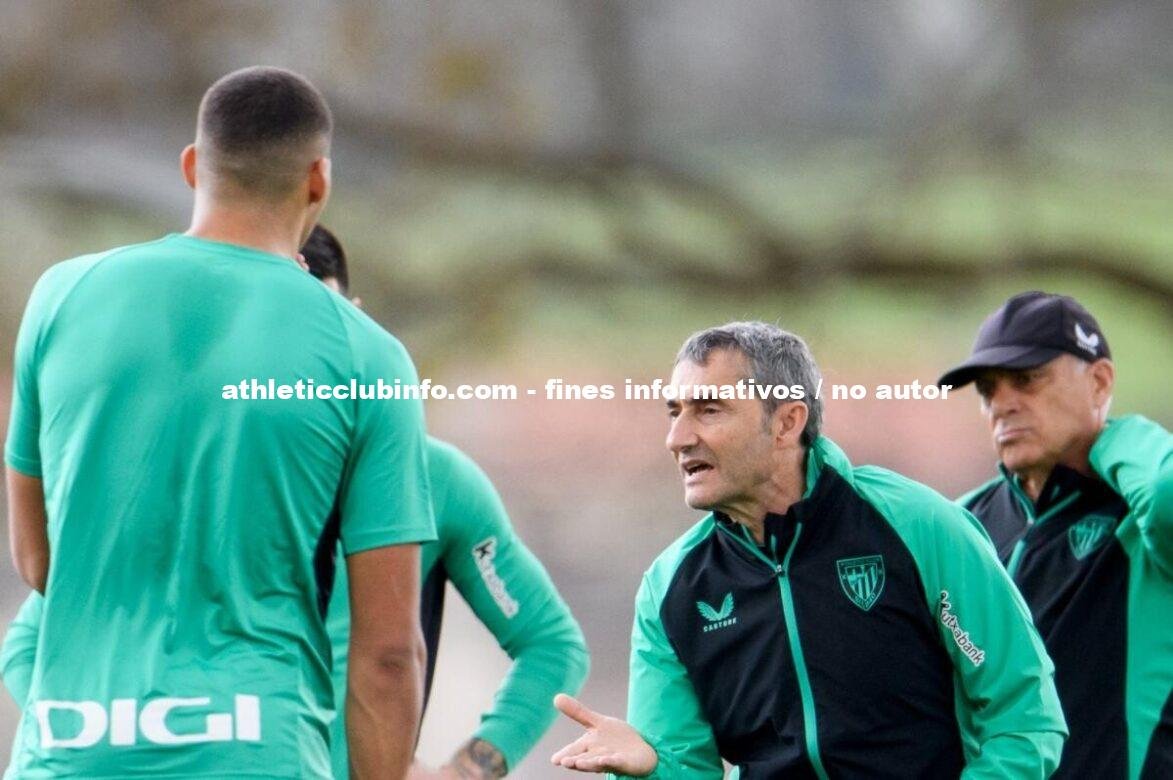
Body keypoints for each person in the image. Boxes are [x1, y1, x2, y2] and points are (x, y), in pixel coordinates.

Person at [2, 68, 434, 778]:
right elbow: (387, 655)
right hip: (255, 751)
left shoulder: (62, 296)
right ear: (318, 181)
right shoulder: (368, 354)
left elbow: (37, 559)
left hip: (69, 751)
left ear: (193, 166)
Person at [551, 321, 1066, 778]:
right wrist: (652, 767)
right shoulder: (671, 589)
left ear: (787, 422)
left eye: (709, 410)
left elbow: (1023, 715)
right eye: (675, 412)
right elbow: (687, 764)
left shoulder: (918, 525)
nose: (677, 437)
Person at [940, 291, 1172, 779]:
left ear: (1100, 380)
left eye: (1026, 379)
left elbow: (1163, 491)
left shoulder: (1140, 509)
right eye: (987, 390)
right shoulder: (965, 524)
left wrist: (1111, 435)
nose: (1002, 405)